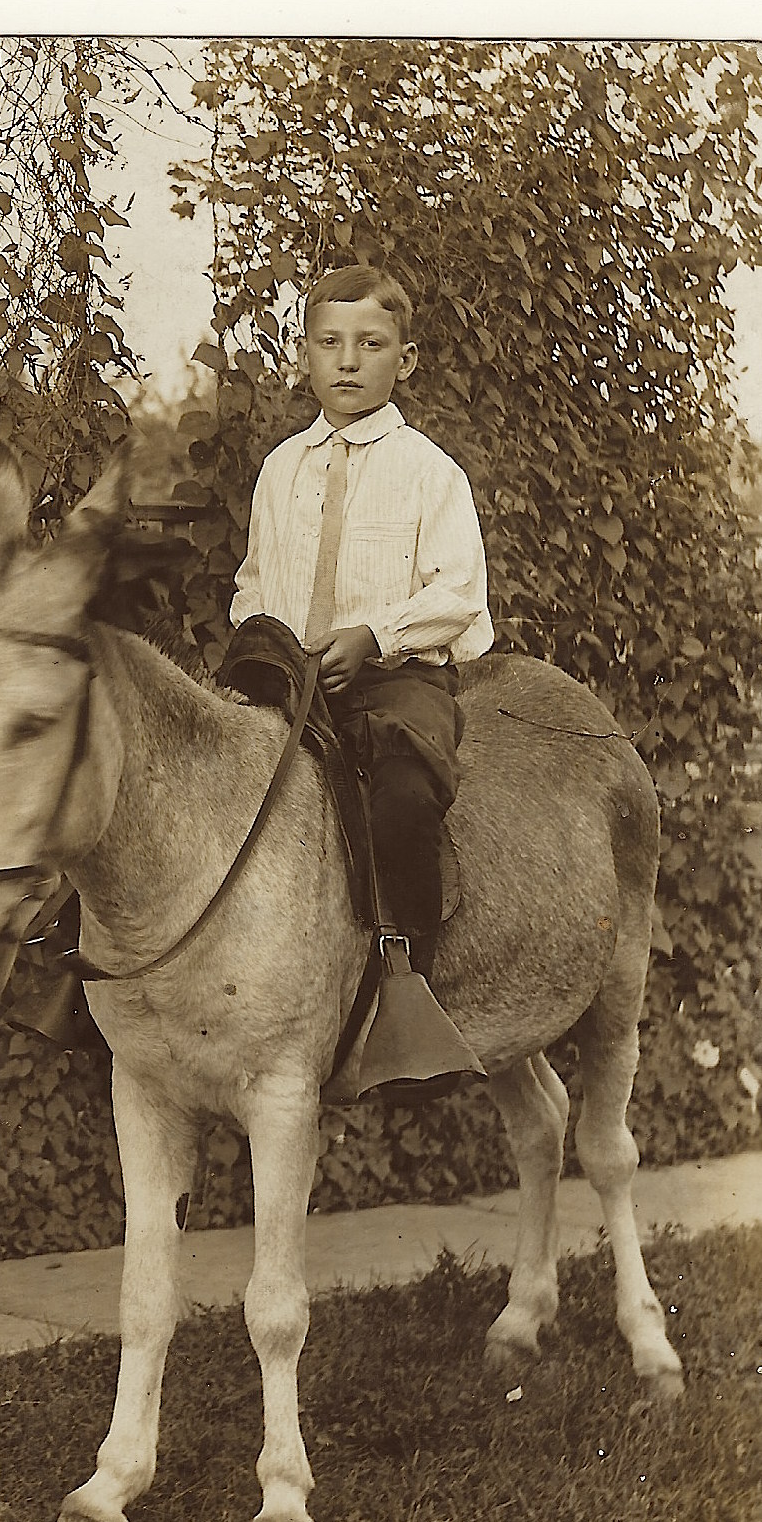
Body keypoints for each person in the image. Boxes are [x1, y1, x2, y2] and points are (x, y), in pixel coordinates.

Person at [230, 263, 493, 1000]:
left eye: (370, 344)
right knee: (188, 771)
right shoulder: (281, 470)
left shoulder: (428, 472)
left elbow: (460, 593)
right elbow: (255, 578)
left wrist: (374, 636)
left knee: (402, 799)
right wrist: (266, 643)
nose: (347, 361)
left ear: (402, 360)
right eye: (328, 342)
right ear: (305, 353)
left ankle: (405, 987)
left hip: (396, 678)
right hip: (290, 678)